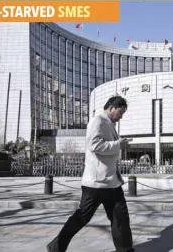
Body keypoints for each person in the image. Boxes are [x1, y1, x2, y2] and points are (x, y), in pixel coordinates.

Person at [47, 96, 134, 252]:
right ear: (112, 107)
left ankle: (125, 249)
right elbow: (94, 144)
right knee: (81, 218)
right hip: (96, 184)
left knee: (120, 217)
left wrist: (119, 144)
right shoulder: (98, 121)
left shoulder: (108, 124)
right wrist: (118, 144)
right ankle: (56, 247)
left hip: (111, 183)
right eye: (120, 112)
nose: (121, 117)